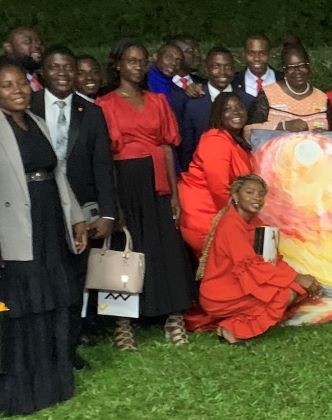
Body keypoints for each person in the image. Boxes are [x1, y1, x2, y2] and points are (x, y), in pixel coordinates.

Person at [0, 58, 88, 417]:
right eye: (7, 85)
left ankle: (51, 382)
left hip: (49, 220)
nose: (18, 91)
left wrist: (76, 217)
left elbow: (58, 173)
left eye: (22, 83)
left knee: (52, 298)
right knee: (22, 304)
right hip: (13, 226)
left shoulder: (37, 121)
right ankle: (18, 391)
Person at [96, 39, 194, 351]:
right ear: (118, 65)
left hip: (157, 180)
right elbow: (104, 158)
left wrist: (175, 194)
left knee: (167, 248)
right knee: (126, 247)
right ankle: (123, 324)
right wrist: (112, 201)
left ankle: (173, 317)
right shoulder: (105, 104)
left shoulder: (157, 101)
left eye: (142, 61)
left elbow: (166, 148)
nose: (138, 66)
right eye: (131, 60)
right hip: (125, 180)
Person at [32, 46, 118, 367]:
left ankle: (68, 348)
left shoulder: (91, 112)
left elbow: (102, 165)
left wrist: (108, 212)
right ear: (43, 73)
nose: (63, 73)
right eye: (55, 67)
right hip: (38, 206)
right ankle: (41, 346)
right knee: (41, 276)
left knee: (74, 278)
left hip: (81, 208)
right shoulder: (27, 105)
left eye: (68, 67)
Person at [188, 175, 322, 344]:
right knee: (284, 294)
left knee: (296, 289)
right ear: (235, 196)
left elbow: (272, 260)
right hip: (222, 292)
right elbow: (251, 266)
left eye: (260, 194)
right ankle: (233, 330)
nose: (256, 197)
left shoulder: (256, 222)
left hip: (241, 285)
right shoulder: (230, 225)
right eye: (250, 192)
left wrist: (297, 278)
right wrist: (295, 278)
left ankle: (229, 326)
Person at [178, 93, 255, 253]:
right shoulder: (216, 140)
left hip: (226, 215)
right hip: (207, 217)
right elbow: (219, 189)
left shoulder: (234, 140)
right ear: (219, 114)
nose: (236, 112)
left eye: (239, 107)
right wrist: (240, 223)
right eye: (227, 109)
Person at [179, 47, 255, 171]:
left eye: (227, 66)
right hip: (203, 172)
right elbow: (187, 147)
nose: (222, 72)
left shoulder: (248, 101)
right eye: (216, 67)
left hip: (241, 171)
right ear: (206, 69)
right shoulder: (193, 103)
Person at [247, 43, 329, 134]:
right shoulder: (268, 94)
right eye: (291, 67)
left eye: (302, 65)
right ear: (284, 70)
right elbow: (249, 131)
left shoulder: (322, 98)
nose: (297, 71)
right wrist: (282, 126)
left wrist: (325, 134)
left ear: (308, 67)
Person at [0, 25, 44, 110]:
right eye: (27, 42)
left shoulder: (41, 78)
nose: (37, 46)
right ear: (8, 47)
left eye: (39, 43)